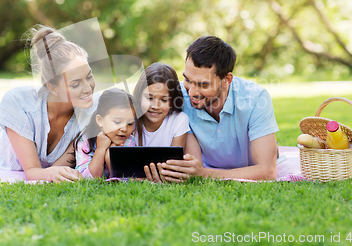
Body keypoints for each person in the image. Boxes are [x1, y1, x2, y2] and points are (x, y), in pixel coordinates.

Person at [0, 25, 100, 183]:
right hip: (1, 147)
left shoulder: (95, 109)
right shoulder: (19, 101)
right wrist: (48, 174)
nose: (87, 88)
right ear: (53, 88)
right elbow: (32, 171)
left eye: (89, 76)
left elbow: (59, 166)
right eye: (75, 84)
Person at [151, 36, 279, 182]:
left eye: (203, 85)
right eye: (188, 80)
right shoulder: (178, 94)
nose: (191, 92)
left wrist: (203, 173)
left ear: (226, 80)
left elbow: (268, 172)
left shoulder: (256, 98)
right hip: (206, 164)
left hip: (246, 166)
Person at [73, 88, 136, 179]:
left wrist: (112, 158)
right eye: (117, 122)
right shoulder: (86, 140)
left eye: (130, 123)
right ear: (100, 121)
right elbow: (86, 180)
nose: (124, 129)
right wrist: (100, 149)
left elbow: (127, 179)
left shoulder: (129, 140)